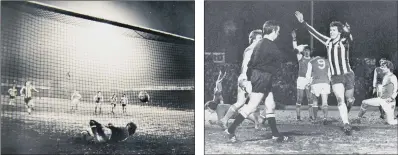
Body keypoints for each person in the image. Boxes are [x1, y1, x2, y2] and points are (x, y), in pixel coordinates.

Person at [225, 20, 290, 143]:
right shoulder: (271, 46)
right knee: (251, 106)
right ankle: (231, 130)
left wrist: (250, 80)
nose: (278, 34)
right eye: (278, 31)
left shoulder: (258, 44)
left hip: (259, 77)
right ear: (274, 31)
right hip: (263, 78)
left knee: (270, 105)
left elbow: (250, 64)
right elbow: (279, 62)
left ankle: (275, 134)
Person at [295, 11, 354, 135]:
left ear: (339, 32)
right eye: (330, 30)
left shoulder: (344, 42)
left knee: (349, 99)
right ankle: (346, 123)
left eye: (334, 30)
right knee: (340, 99)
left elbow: (348, 37)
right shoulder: (328, 42)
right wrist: (303, 22)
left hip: (348, 74)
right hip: (335, 76)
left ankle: (346, 110)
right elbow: (314, 33)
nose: (331, 32)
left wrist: (347, 31)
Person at [217, 29, 263, 130]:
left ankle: (224, 120)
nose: (262, 40)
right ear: (254, 39)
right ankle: (257, 123)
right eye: (260, 38)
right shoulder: (252, 50)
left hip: (243, 78)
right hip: (247, 79)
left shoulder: (251, 50)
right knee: (255, 101)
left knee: (240, 103)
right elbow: (249, 65)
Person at [356, 60, 397, 125]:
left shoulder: (393, 77)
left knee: (390, 122)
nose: (382, 68)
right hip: (381, 99)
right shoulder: (385, 76)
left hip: (388, 102)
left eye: (383, 67)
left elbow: (396, 91)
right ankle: (358, 119)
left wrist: (391, 98)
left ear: (388, 68)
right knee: (364, 102)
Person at [291, 29, 313, 121]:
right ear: (303, 52)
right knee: (299, 98)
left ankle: (311, 116)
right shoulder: (300, 57)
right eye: (305, 50)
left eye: (308, 51)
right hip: (301, 79)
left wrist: (312, 80)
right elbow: (295, 48)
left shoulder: (313, 60)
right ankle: (298, 117)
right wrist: (294, 39)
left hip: (309, 80)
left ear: (310, 52)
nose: (307, 52)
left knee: (310, 98)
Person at [306, 55, 331, 125]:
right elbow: (329, 74)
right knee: (325, 101)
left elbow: (308, 75)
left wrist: (309, 82)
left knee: (315, 101)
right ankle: (325, 118)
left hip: (316, 82)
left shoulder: (311, 62)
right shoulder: (327, 61)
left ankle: (315, 118)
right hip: (325, 82)